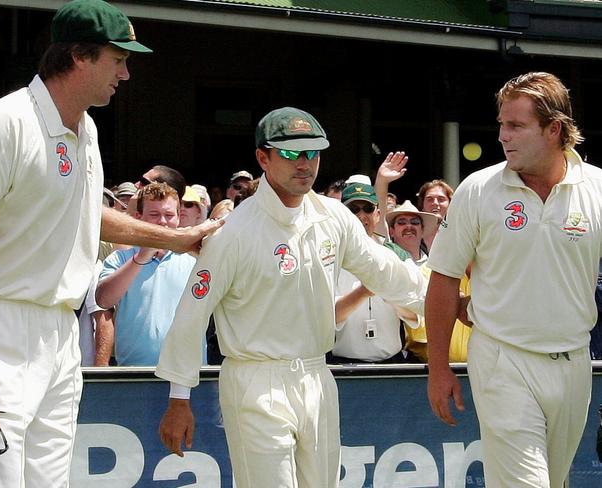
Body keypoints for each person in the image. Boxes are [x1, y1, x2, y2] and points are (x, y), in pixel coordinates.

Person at [0, 2, 221, 486]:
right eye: (118, 59)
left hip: (60, 334)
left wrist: (178, 240)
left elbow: (89, 217)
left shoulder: (87, 129)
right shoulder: (3, 123)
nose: (126, 73)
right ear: (78, 56)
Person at [155, 107, 427, 488]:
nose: (305, 164)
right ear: (262, 157)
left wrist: (444, 302)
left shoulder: (334, 217)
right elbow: (192, 314)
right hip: (255, 379)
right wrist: (179, 398)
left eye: (312, 153)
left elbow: (386, 270)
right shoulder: (234, 231)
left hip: (316, 375)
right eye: (291, 153)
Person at [426, 72, 601, 487]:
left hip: (575, 364)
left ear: (554, 129)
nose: (503, 135)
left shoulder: (597, 188)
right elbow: (444, 279)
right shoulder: (477, 189)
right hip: (503, 360)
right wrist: (438, 368)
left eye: (516, 126)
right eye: (502, 124)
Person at [96, 183, 196, 366]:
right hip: (133, 373)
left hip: (186, 373)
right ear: (138, 218)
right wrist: (142, 256)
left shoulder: (195, 261)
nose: (163, 222)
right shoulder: (119, 259)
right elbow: (103, 300)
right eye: (154, 215)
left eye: (169, 215)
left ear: (178, 219)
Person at [329, 183, 409, 364]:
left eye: (367, 208)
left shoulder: (396, 254)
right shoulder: (330, 256)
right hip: (343, 366)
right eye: (353, 209)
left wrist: (390, 293)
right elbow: (329, 317)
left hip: (392, 365)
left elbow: (414, 312)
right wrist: (365, 291)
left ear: (378, 214)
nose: (361, 216)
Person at [416, 179, 453, 250]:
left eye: (441, 199)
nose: (435, 203)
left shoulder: (458, 233)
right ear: (422, 204)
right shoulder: (414, 233)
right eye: (430, 199)